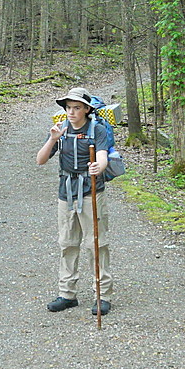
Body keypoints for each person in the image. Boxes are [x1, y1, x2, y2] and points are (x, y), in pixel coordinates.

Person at [36, 87, 113, 316]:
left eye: (76, 107)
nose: (71, 112)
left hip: (92, 193)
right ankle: (67, 294)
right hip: (66, 194)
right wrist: (52, 139)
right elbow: (40, 160)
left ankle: (102, 295)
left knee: (96, 244)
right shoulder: (60, 129)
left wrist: (100, 165)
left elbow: (102, 155)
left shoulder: (97, 130)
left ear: (87, 109)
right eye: (68, 107)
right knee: (67, 243)